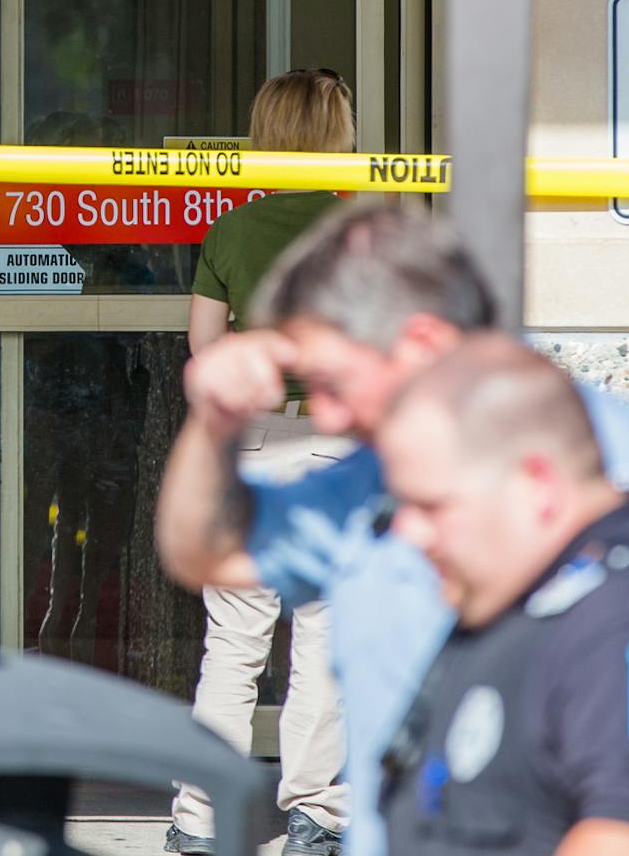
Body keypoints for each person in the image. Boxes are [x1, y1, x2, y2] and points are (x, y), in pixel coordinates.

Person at [154, 204, 629, 856]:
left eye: (332, 381)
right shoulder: (367, 471)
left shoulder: (608, 476)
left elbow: (624, 817)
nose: (325, 414)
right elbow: (203, 551)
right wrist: (214, 422)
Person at [168, 69, 357, 856]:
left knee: (234, 640)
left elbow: (205, 349)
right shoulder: (362, 230)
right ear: (337, 133)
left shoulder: (232, 230)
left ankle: (199, 817)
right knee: (322, 636)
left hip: (248, 445)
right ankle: (313, 812)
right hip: (334, 444)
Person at [375, 340, 629, 856]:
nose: (408, 533)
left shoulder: (624, 618)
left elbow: (628, 838)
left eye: (431, 506)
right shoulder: (518, 599)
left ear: (537, 487)